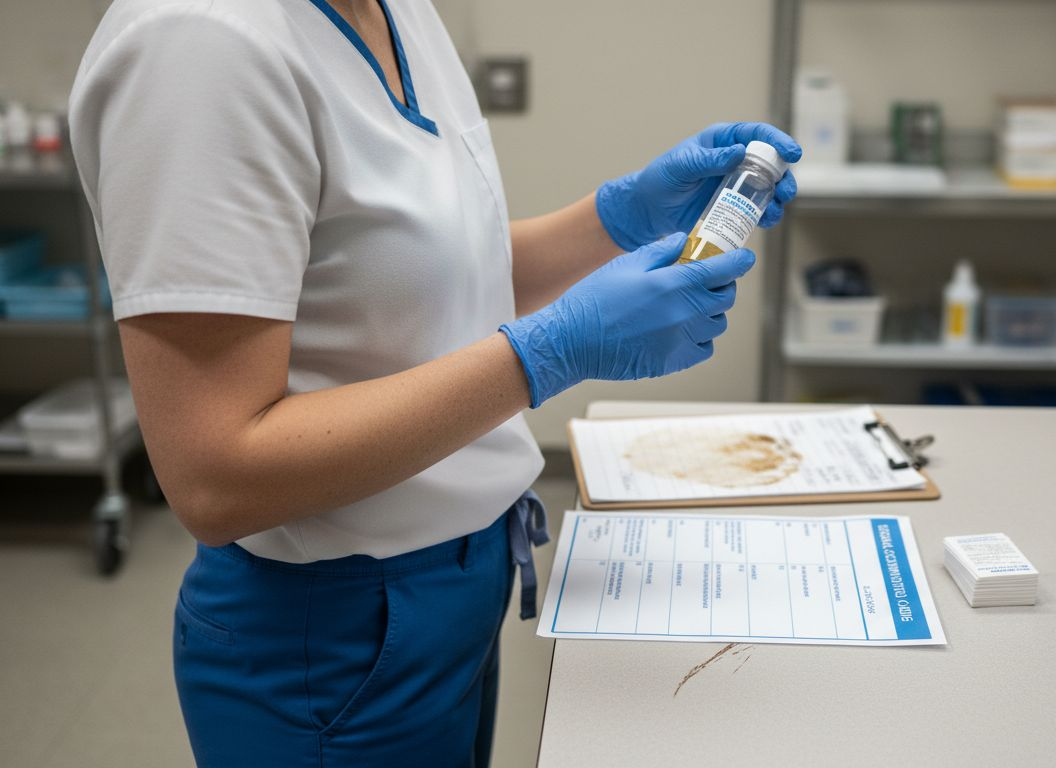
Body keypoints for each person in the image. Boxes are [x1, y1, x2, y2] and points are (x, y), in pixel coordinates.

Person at [68, 0, 799, 764]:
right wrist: (546, 355)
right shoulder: (199, 43)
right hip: (330, 633)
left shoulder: (395, 11)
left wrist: (615, 218)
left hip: (456, 588)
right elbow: (216, 476)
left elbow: (424, 283)